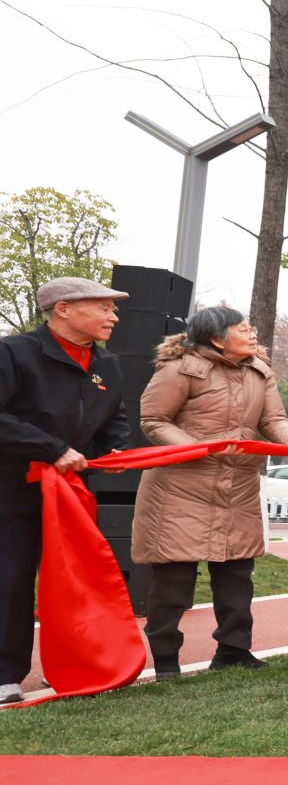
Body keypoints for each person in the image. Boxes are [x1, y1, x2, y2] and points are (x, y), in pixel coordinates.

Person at [132, 306, 288, 679]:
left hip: (237, 487)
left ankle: (234, 650)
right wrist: (198, 448)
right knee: (173, 580)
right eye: (242, 329)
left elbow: (273, 419)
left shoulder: (259, 372)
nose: (252, 334)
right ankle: (166, 660)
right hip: (180, 487)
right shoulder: (180, 369)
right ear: (217, 338)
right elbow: (154, 420)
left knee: (236, 575)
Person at [0, 277, 131, 706]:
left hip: (71, 491)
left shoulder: (107, 364)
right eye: (104, 307)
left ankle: (76, 666)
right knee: (12, 579)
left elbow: (114, 416)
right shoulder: (14, 352)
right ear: (63, 309)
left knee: (75, 582)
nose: (113, 316)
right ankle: (5, 676)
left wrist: (115, 447)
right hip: (12, 488)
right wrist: (52, 448)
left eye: (113, 308)